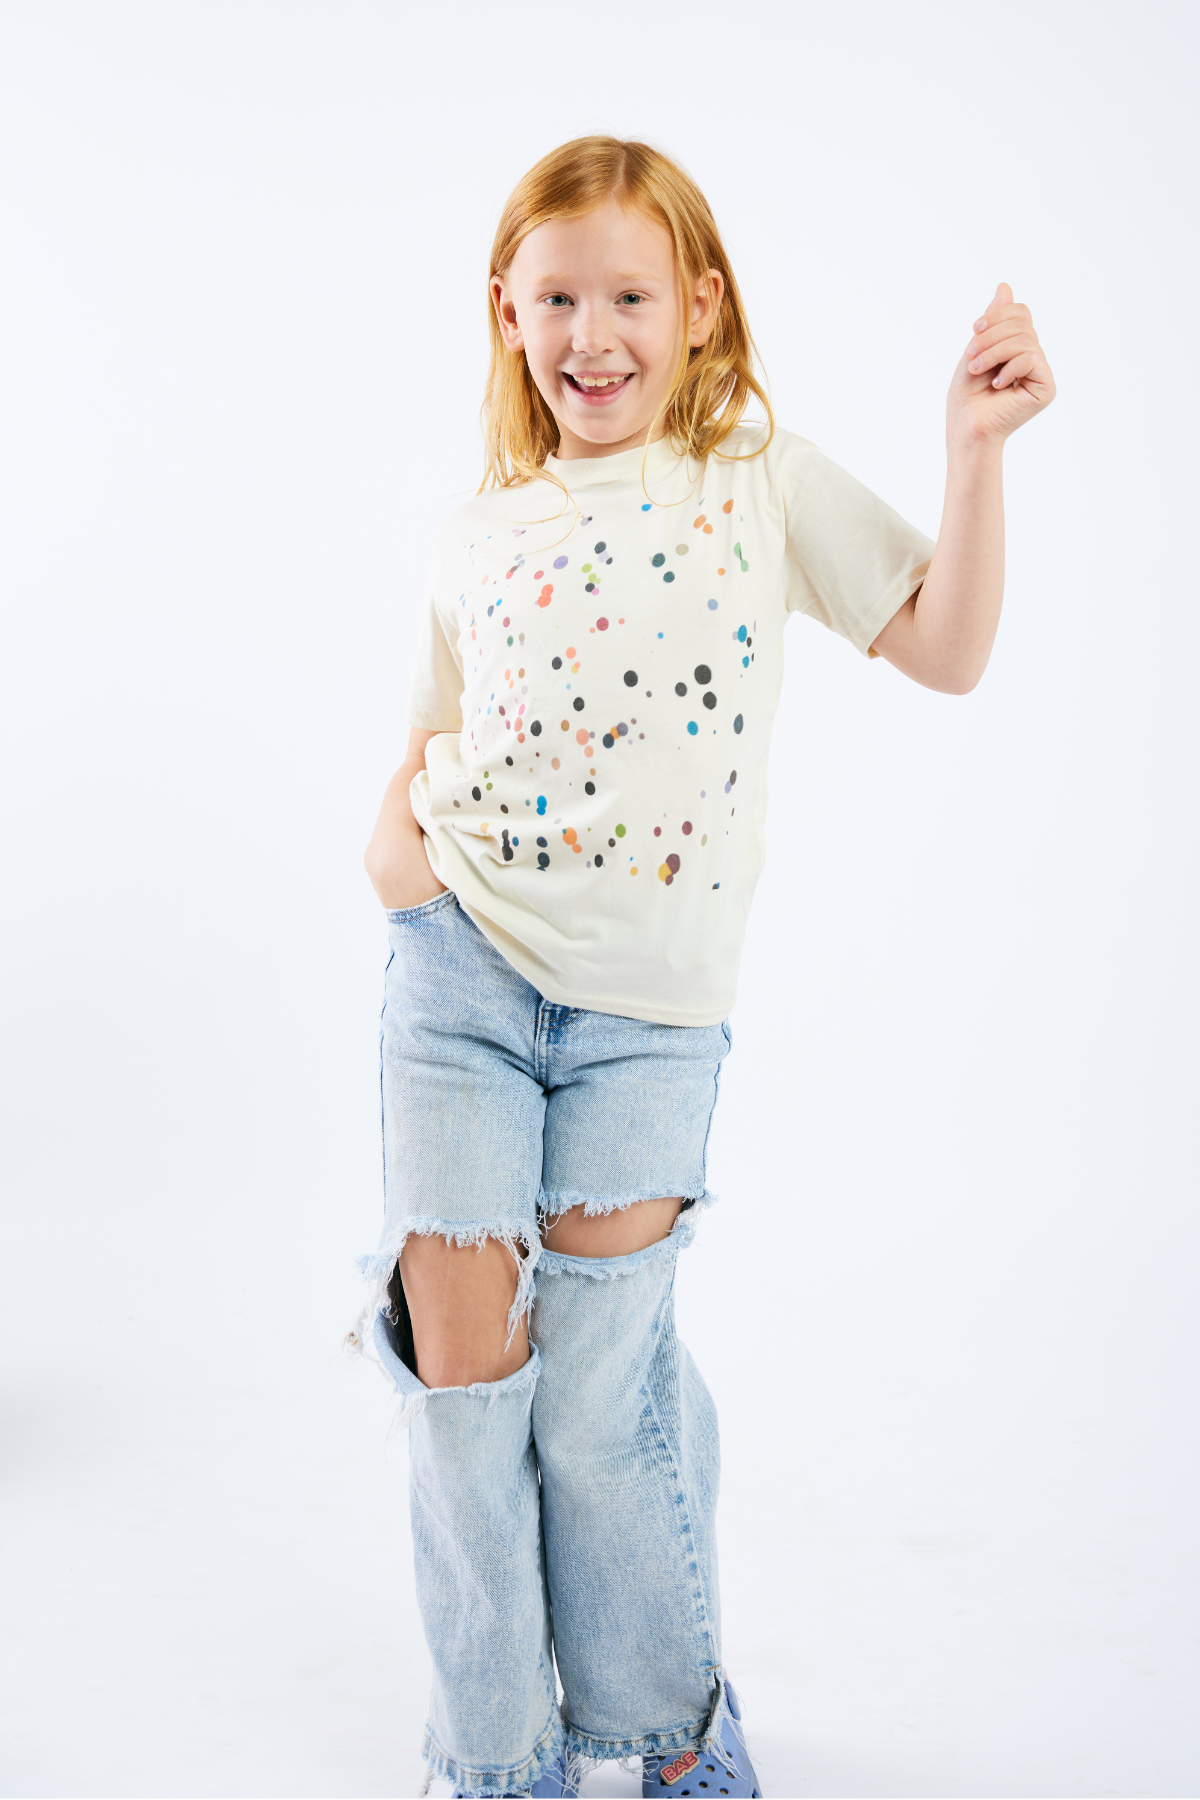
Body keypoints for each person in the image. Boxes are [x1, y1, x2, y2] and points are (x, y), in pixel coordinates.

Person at [352, 135, 1055, 1799]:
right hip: (456, 983)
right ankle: (497, 1759)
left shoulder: (758, 479)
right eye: (556, 300)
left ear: (700, 306)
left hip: (644, 1025)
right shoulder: (477, 530)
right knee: (465, 1382)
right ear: (508, 315)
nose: (592, 335)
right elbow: (432, 734)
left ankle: (667, 1735)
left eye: (629, 297)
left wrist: (971, 449)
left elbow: (947, 646)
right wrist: (394, 858)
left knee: (600, 1393)